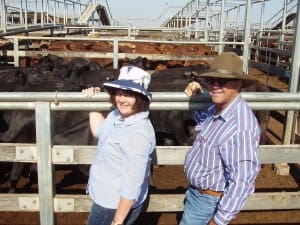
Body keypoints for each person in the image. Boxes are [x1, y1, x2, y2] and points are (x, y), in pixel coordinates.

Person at [180, 52, 261, 225]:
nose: (215, 85)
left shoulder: (240, 126)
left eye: (222, 81)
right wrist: (197, 94)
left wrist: (219, 220)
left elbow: (243, 179)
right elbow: (205, 123)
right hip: (199, 196)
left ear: (238, 83)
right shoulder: (218, 109)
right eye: (211, 80)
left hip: (208, 202)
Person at [82, 66, 156, 225]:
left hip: (113, 206)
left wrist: (117, 221)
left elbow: (132, 186)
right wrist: (92, 101)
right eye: (119, 92)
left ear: (141, 98)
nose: (121, 99)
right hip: (107, 199)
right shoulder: (117, 115)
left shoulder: (138, 134)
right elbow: (99, 131)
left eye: (129, 94)